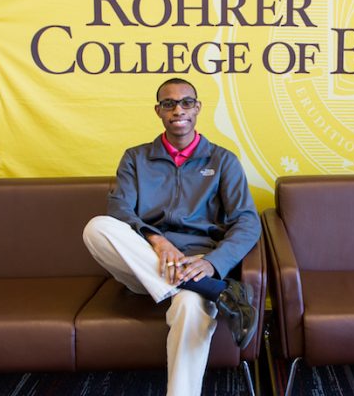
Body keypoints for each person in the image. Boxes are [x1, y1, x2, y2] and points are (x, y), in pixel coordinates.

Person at [83, 77, 261, 396]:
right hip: (146, 264)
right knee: (96, 227)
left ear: (197, 108)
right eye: (169, 104)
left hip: (197, 262)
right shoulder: (135, 158)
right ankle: (219, 292)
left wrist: (212, 263)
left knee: (191, 308)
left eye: (186, 102)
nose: (178, 109)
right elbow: (119, 208)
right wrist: (157, 240)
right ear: (158, 111)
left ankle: (200, 288)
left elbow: (247, 222)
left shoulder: (223, 161)